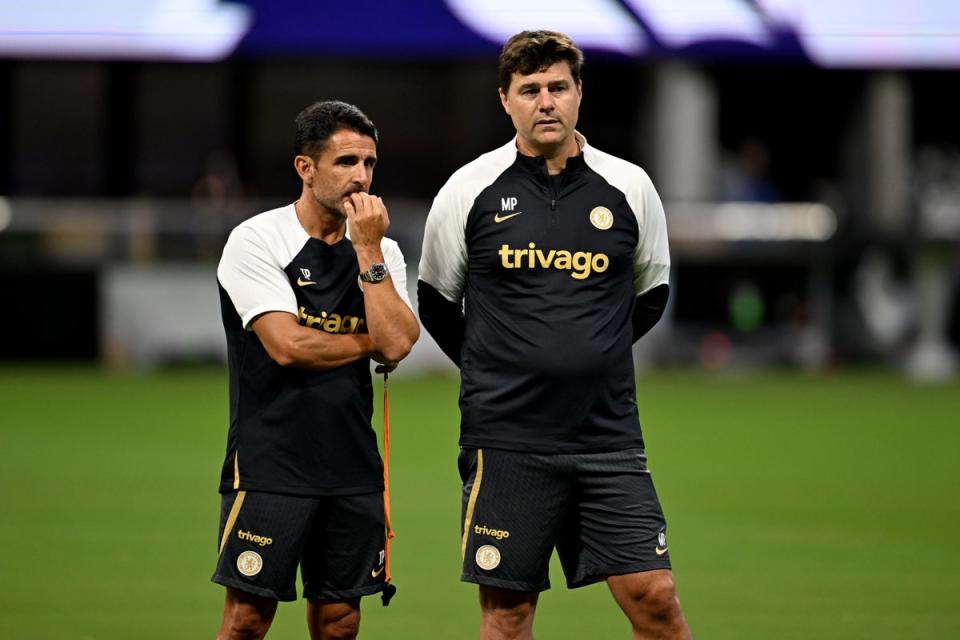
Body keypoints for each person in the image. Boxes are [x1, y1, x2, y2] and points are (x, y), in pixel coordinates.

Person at [418, 31, 692, 639]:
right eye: (530, 90)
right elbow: (437, 301)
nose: (546, 102)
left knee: (656, 599)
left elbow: (651, 295)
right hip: (507, 438)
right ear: (506, 101)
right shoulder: (469, 189)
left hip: (607, 436)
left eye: (558, 88)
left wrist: (588, 355)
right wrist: (497, 368)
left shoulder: (629, 187)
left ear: (579, 94)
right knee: (509, 616)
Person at [213, 100, 419, 640]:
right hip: (271, 463)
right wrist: (367, 340)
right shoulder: (258, 240)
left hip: (352, 465)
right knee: (246, 620)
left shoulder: (381, 250)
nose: (362, 177)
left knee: (340, 620)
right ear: (306, 168)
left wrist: (367, 247)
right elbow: (287, 345)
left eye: (369, 164)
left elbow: (397, 346)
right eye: (346, 162)